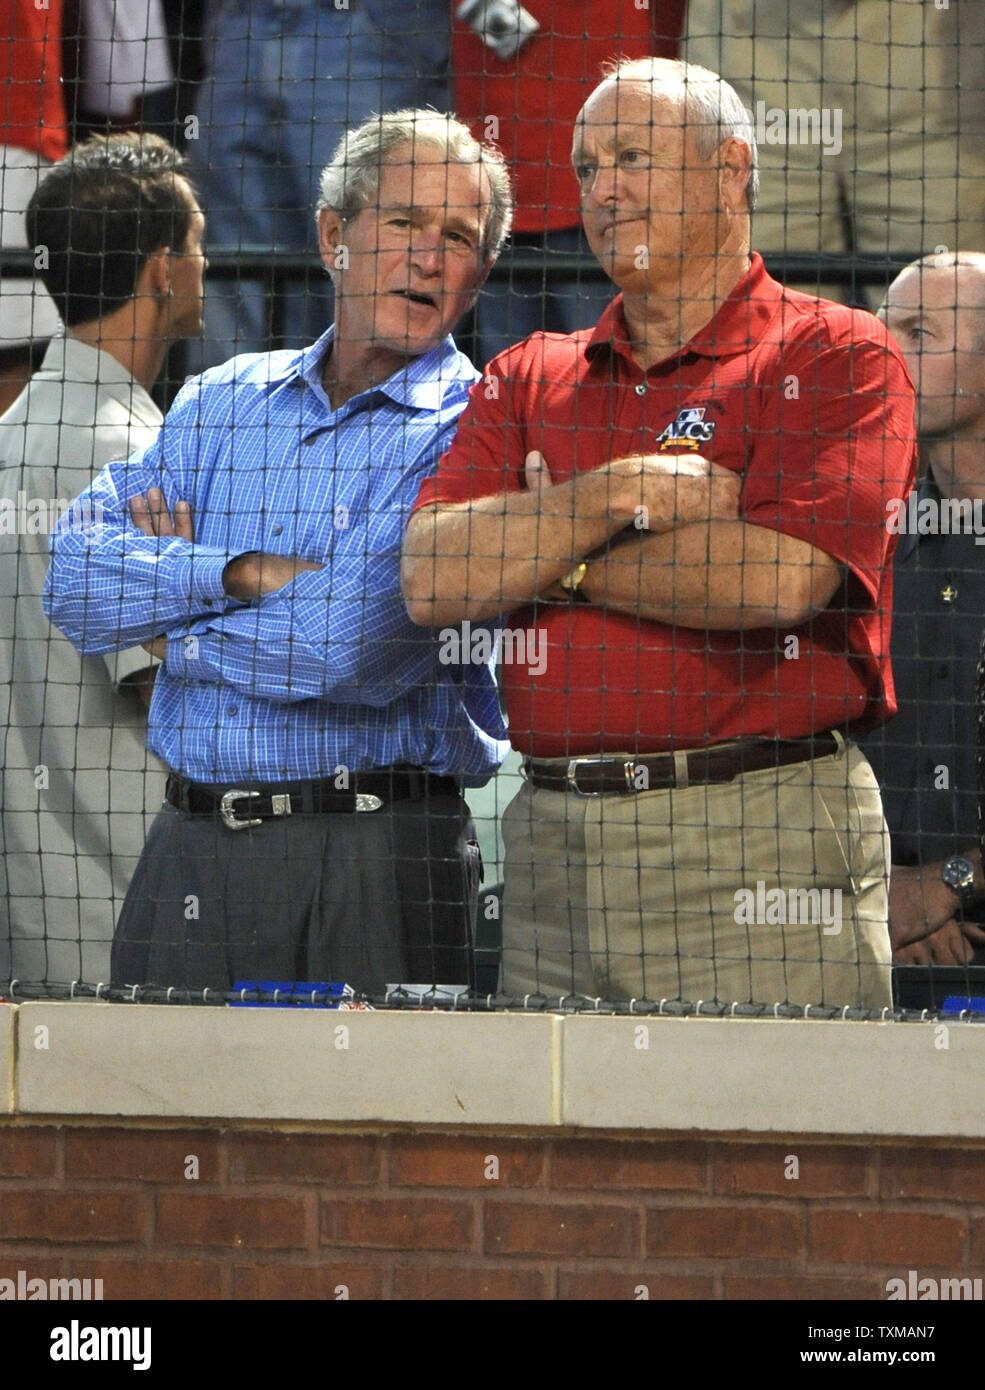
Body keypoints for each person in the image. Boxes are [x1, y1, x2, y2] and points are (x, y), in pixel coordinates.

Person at [402, 57, 917, 1009]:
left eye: (631, 156)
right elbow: (434, 578)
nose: (601, 190)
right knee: (549, 1158)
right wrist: (620, 493)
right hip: (550, 850)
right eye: (587, 167)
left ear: (730, 170)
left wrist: (555, 555)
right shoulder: (528, 373)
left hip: (755, 842)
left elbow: (777, 583)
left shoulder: (835, 351)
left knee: (775, 1148)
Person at [44, 110, 513, 995]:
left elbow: (347, 648)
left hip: (375, 860)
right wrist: (236, 573)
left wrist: (168, 630)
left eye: (457, 237)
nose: (428, 256)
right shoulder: (222, 396)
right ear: (335, 234)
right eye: (404, 221)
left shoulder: (477, 426)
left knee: (370, 1131)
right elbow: (72, 581)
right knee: (149, 1125)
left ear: (479, 274)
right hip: (186, 850)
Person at [0, 131, 206, 988]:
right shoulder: (127, 460)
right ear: (162, 271)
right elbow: (182, 691)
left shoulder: (12, 432)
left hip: (30, 918)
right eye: (197, 246)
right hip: (132, 910)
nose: (206, 266)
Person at [187, 0, 454, 370]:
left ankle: (349, 425)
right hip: (243, 25)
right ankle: (227, 426)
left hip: (369, 27)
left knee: (357, 257)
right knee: (230, 268)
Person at [862, 253, 985, 968]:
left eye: (918, 334)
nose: (886, 352)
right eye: (885, 329)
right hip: (894, 939)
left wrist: (949, 883)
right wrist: (891, 899)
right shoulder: (867, 537)